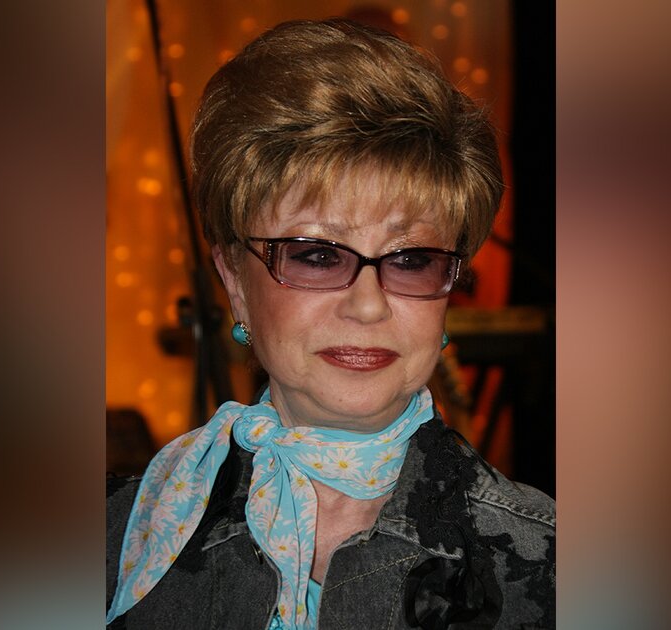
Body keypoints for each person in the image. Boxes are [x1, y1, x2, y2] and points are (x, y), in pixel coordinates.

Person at [107, 19, 554, 629]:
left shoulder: (547, 570)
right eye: (317, 255)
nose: (368, 306)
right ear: (235, 281)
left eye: (411, 260)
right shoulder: (117, 540)